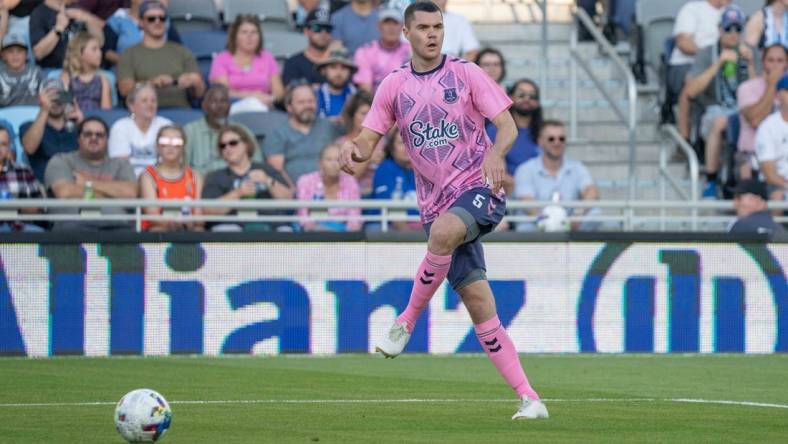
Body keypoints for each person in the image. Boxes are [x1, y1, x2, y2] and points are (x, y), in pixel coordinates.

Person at [339, 1, 547, 420]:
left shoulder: (466, 73)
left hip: (480, 189)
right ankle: (530, 398)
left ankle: (405, 322)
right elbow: (367, 140)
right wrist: (353, 152)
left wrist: (497, 154)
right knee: (477, 299)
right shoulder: (393, 86)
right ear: (406, 33)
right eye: (424, 27)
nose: (433, 34)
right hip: (435, 204)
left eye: (438, 26)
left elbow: (507, 125)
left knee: (443, 235)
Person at [684, 5, 754, 199]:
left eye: (737, 29)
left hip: (746, 110)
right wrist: (718, 64)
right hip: (715, 109)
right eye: (728, 29)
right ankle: (711, 179)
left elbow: (759, 90)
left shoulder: (749, 53)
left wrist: (749, 65)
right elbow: (691, 91)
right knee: (720, 121)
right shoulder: (707, 53)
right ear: (720, 29)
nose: (733, 34)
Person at [44, 116, 137, 231]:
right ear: (78, 139)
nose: (94, 138)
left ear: (107, 140)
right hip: (72, 226)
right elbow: (65, 192)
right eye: (88, 134)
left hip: (117, 225)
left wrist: (87, 182)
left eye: (99, 135)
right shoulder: (61, 160)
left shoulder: (121, 164)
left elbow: (130, 193)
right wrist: (113, 195)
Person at [201, 124, 292, 232]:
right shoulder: (215, 176)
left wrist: (267, 181)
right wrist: (238, 193)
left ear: (246, 144)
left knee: (285, 230)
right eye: (222, 146)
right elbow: (208, 210)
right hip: (231, 228)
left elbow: (288, 199)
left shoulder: (266, 170)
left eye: (233, 143)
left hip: (271, 226)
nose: (227, 148)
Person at [513, 120, 600, 232]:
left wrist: (578, 214)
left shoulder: (577, 168)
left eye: (561, 139)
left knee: (595, 214)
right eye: (551, 139)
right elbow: (526, 202)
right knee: (524, 222)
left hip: (569, 224)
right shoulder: (525, 169)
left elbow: (591, 191)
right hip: (537, 224)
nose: (557, 143)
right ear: (540, 141)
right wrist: (546, 222)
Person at [117, 0, 205, 108]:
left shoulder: (182, 51)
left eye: (162, 18)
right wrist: (151, 83)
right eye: (151, 19)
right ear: (140, 22)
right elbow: (124, 90)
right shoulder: (129, 54)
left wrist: (191, 81)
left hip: (180, 111)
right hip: (144, 115)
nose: (157, 22)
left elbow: (200, 91)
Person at [665, 0, 729, 136]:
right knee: (693, 81)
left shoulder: (731, 13)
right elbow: (683, 43)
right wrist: (707, 57)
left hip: (721, 64)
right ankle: (685, 138)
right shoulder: (692, 9)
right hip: (686, 63)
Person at [266, 81, 343, 186]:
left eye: (311, 101)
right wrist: (295, 194)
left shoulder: (329, 126)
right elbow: (277, 170)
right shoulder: (278, 134)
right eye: (301, 102)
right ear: (289, 107)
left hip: (330, 193)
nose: (307, 106)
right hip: (296, 196)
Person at [209, 14, 284, 111]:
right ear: (234, 36)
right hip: (231, 107)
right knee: (254, 105)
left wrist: (270, 98)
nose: (250, 36)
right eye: (244, 32)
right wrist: (252, 96)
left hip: (265, 106)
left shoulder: (267, 57)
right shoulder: (221, 59)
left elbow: (279, 92)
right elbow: (223, 92)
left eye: (254, 32)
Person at [737, 43, 788, 180]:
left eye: (780, 61)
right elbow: (755, 120)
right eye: (770, 60)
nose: (775, 65)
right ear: (763, 62)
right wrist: (772, 85)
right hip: (751, 155)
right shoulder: (747, 88)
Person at [139, 125, 204, 232]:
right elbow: (152, 215)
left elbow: (200, 217)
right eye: (164, 142)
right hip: (159, 231)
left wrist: (188, 222)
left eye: (176, 142)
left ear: (183, 147)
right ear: (157, 146)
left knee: (199, 229)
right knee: (157, 229)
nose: (170, 147)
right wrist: (173, 222)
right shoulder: (148, 176)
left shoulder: (195, 177)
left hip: (189, 228)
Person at [184, 84, 259, 175]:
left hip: (238, 182)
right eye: (214, 101)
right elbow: (182, 167)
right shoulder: (190, 131)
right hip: (202, 183)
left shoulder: (242, 130)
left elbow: (257, 164)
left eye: (223, 101)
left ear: (230, 106)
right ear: (204, 106)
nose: (219, 106)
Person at [20, 78, 83, 181]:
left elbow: (95, 157)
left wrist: (82, 126)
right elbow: (29, 148)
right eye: (50, 97)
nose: (56, 100)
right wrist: (45, 109)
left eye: (60, 96)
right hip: (44, 187)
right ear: (41, 100)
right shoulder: (28, 126)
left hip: (76, 184)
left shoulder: (77, 127)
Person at [486, 78, 542, 194]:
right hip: (509, 192)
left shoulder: (545, 133)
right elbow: (490, 165)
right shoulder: (495, 130)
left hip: (540, 190)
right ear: (510, 97)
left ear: (537, 103)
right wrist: (522, 186)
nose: (527, 99)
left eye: (532, 96)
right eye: (521, 95)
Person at [108, 82, 173, 176]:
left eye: (153, 101)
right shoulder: (120, 127)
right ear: (131, 106)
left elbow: (171, 162)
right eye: (144, 101)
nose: (150, 104)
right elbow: (120, 166)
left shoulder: (166, 126)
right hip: (129, 182)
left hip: (160, 181)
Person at [297, 142, 361, 232]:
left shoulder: (350, 182)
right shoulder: (306, 181)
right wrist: (321, 230)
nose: (334, 164)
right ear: (320, 163)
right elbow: (303, 217)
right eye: (329, 159)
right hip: (313, 234)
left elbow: (355, 220)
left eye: (338, 159)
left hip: (343, 235)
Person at [353, 3, 411, 94]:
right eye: (387, 22)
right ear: (379, 26)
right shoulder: (365, 52)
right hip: (375, 104)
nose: (391, 28)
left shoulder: (412, 50)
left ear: (402, 27)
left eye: (395, 23)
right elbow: (365, 93)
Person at [29, 0, 103, 69]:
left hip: (84, 70)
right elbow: (38, 53)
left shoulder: (78, 9)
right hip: (55, 71)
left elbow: (100, 41)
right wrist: (58, 28)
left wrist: (85, 17)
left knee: (108, 77)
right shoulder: (39, 14)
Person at [369, 130, 420, 231]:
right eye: (401, 143)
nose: (406, 148)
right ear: (392, 149)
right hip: (389, 227)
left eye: (410, 143)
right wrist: (411, 238)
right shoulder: (385, 169)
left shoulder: (425, 171)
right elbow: (391, 210)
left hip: (422, 227)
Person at [105, 0, 182, 66]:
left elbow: (178, 48)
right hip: (125, 72)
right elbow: (106, 51)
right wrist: (129, 64)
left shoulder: (161, 18)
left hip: (161, 69)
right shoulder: (117, 19)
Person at [336, 90, 384, 196]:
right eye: (363, 114)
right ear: (352, 116)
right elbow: (347, 178)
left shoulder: (382, 142)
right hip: (352, 197)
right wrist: (368, 159)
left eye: (370, 114)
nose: (367, 118)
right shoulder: (341, 144)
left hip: (380, 195)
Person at [0, 126, 45, 232]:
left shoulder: (23, 171)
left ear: (9, 147)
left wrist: (15, 206)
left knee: (39, 233)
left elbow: (39, 208)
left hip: (19, 230)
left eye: (3, 144)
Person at [60, 31, 110, 111]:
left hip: (95, 120)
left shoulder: (102, 80)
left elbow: (106, 113)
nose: (100, 53)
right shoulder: (66, 78)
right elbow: (63, 107)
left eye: (99, 49)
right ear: (80, 52)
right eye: (94, 49)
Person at [756, 74, 788, 200]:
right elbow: (769, 174)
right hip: (779, 185)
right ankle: (776, 221)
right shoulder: (768, 127)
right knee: (777, 195)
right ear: (778, 96)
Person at [282, 7, 333, 86]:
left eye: (327, 29)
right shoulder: (292, 63)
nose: (323, 33)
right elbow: (290, 94)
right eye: (317, 28)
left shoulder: (338, 63)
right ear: (306, 31)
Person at [0, 32, 42, 107]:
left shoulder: (36, 72)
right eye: (10, 51)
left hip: (33, 115)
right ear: (3, 55)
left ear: (26, 55)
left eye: (19, 51)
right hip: (5, 116)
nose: (15, 55)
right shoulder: (1, 75)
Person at [315, 47, 357, 119]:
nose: (338, 73)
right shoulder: (314, 95)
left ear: (350, 72)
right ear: (324, 71)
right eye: (333, 67)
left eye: (344, 68)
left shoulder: (357, 97)